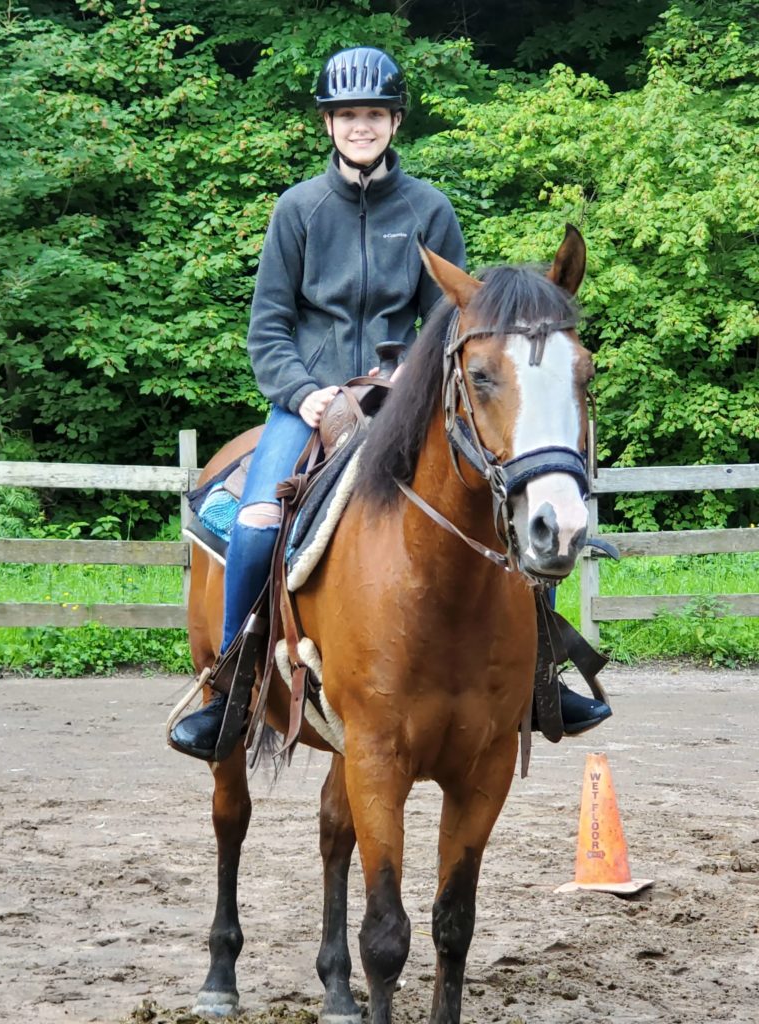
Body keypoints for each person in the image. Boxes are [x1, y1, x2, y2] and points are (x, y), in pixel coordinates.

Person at [170, 46, 609, 761]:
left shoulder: (429, 209)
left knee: (509, 506)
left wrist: (404, 384)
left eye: (373, 114)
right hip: (307, 402)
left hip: (399, 398)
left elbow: (454, 325)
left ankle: (542, 676)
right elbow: (268, 330)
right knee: (253, 526)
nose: (360, 127)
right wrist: (306, 394)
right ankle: (232, 686)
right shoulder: (298, 211)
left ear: (394, 121)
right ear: (328, 125)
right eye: (347, 116)